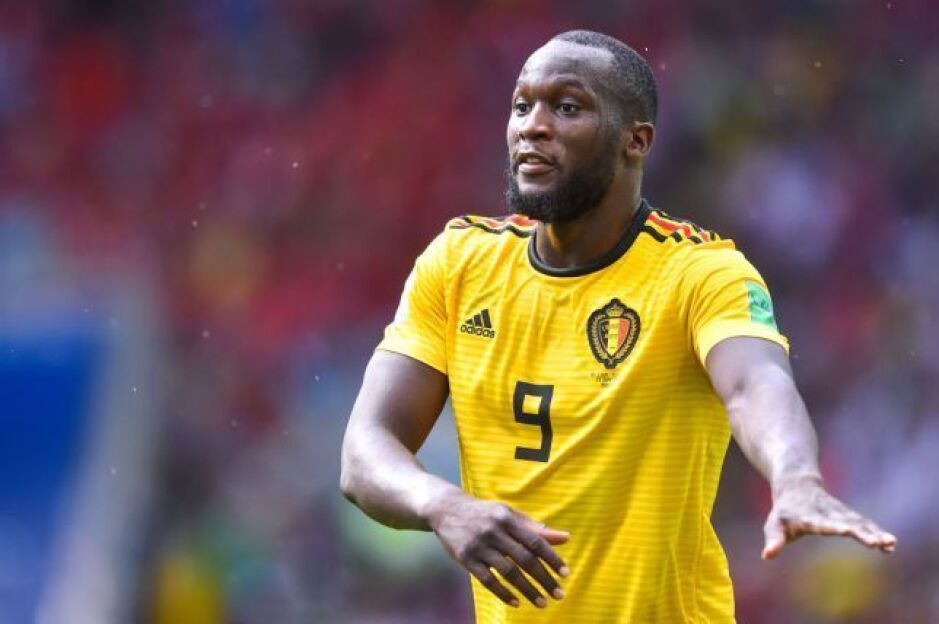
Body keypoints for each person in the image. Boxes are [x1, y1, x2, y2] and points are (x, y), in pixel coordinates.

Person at [340, 29, 896, 622]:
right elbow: (365, 450)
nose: (533, 126)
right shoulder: (458, 264)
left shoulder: (700, 272)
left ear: (636, 140)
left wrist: (796, 478)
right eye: (522, 105)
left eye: (567, 107)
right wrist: (442, 504)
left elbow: (755, 385)